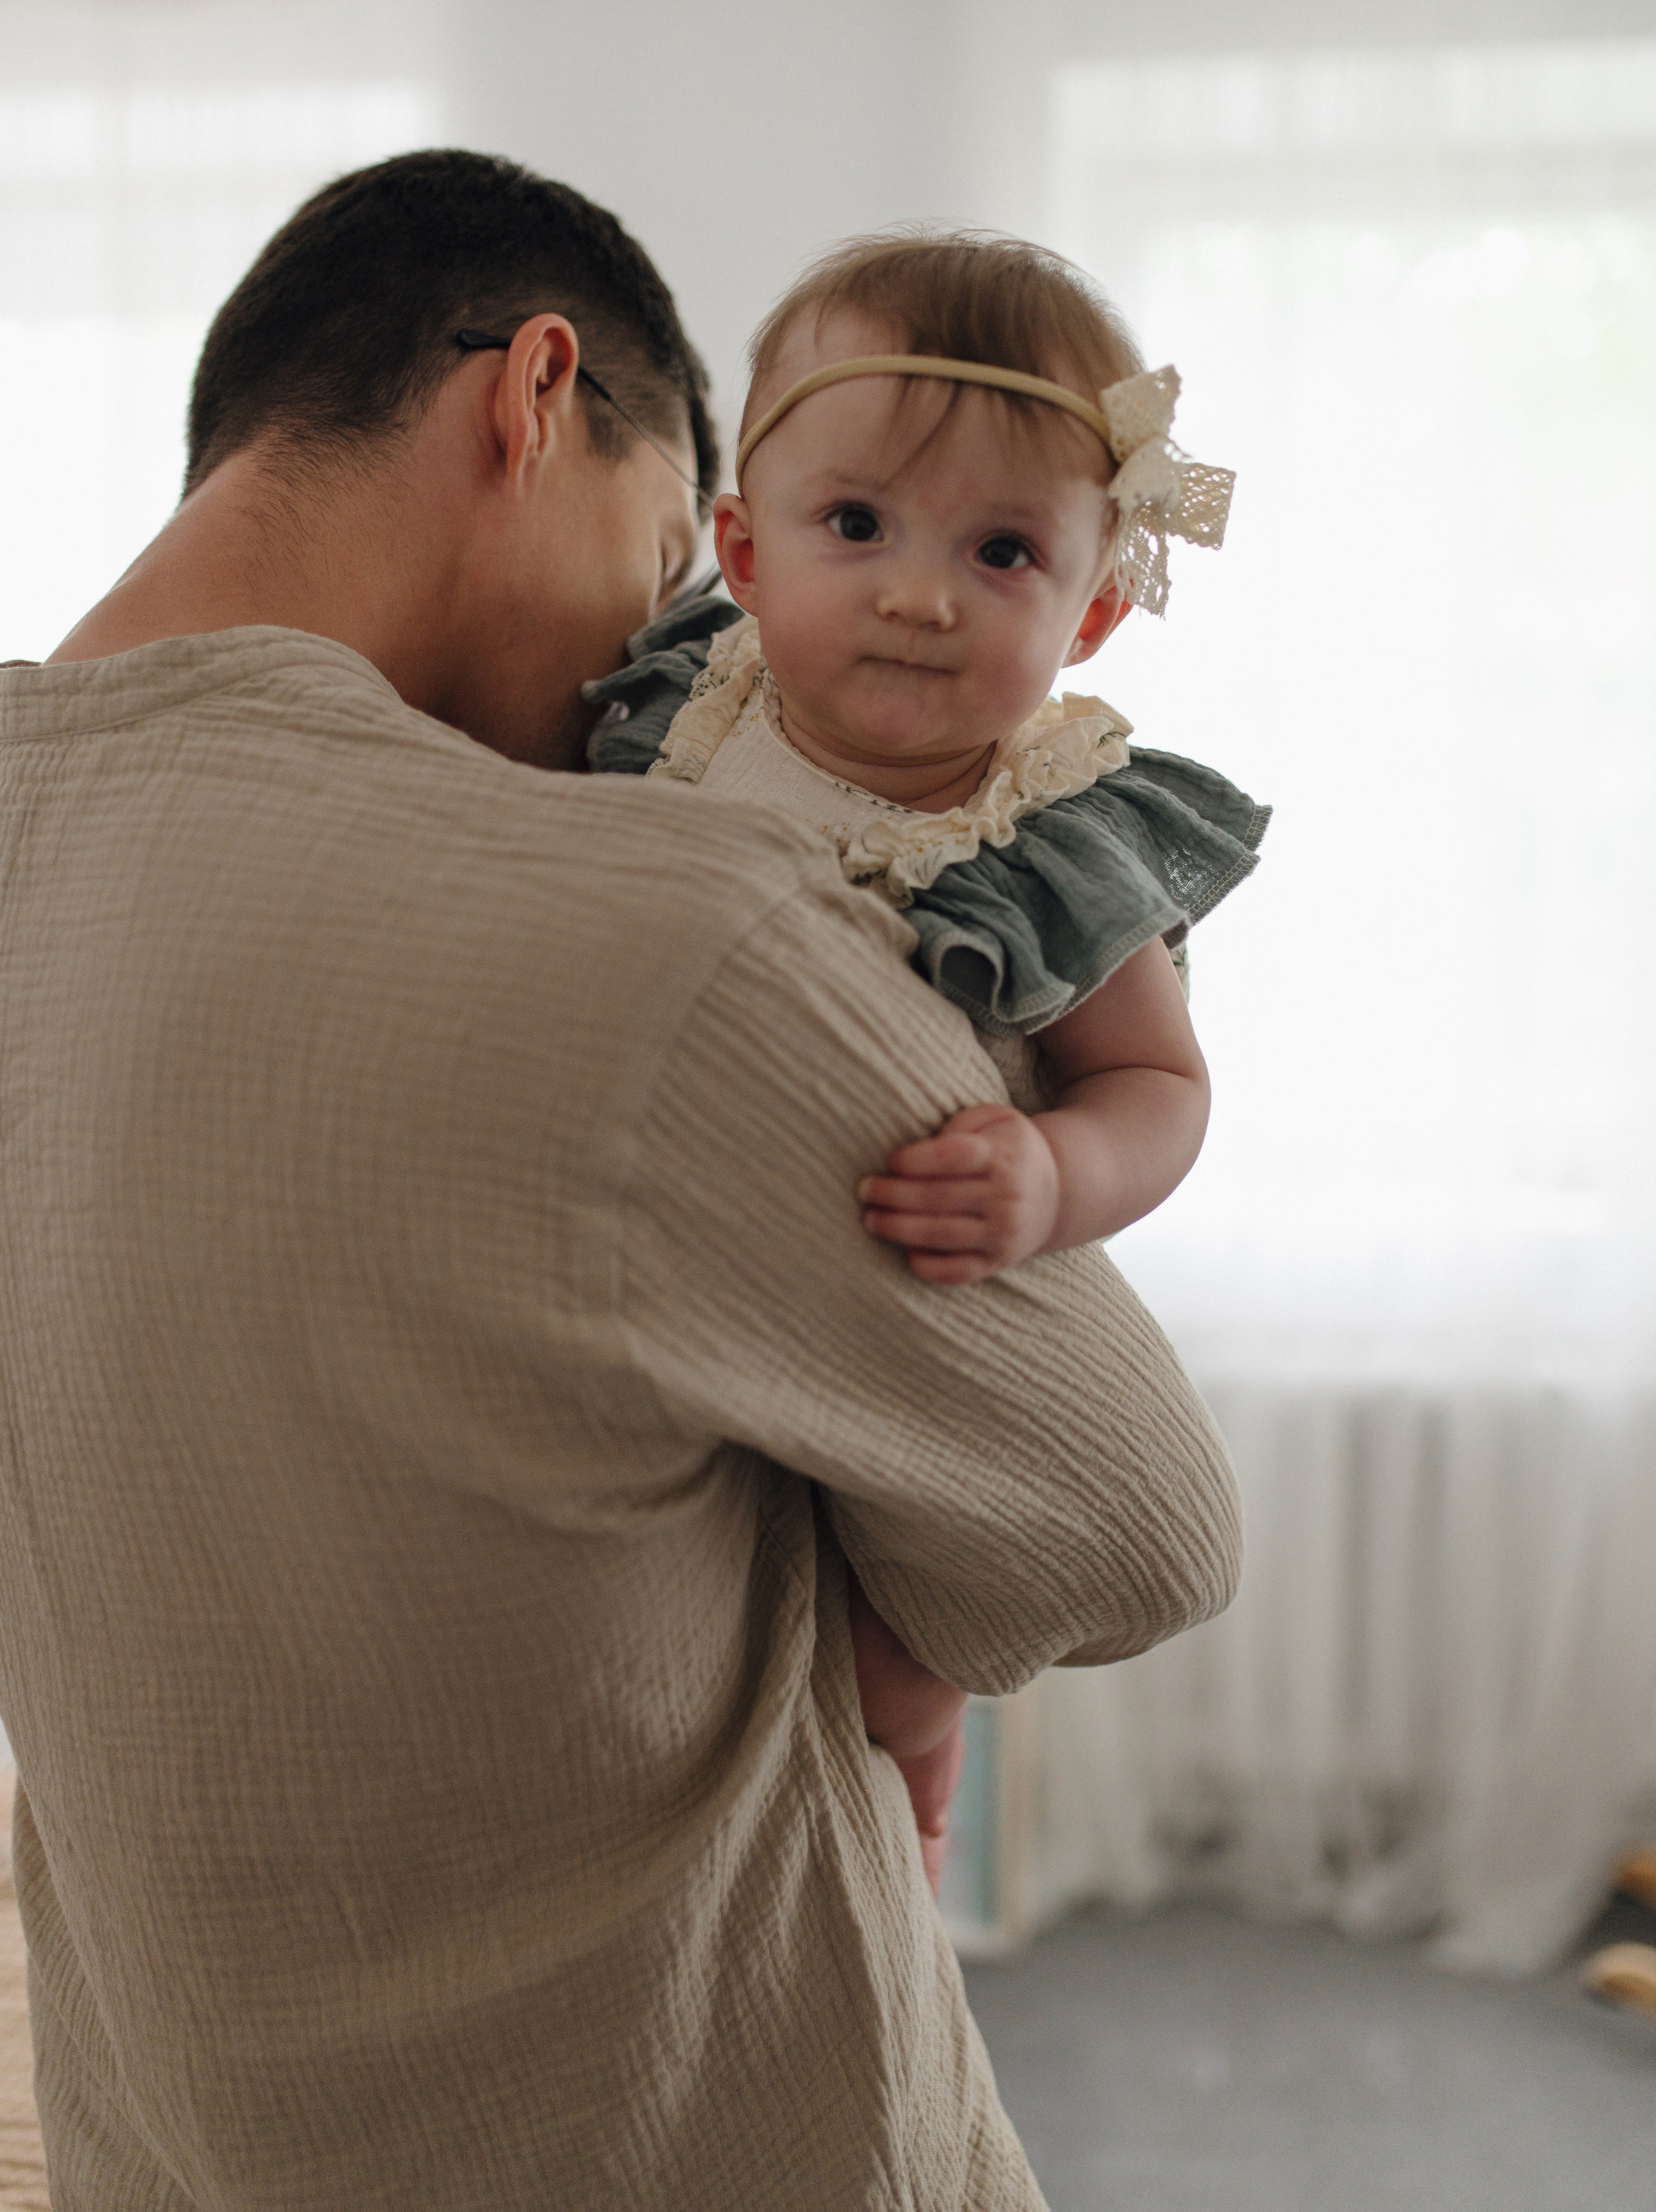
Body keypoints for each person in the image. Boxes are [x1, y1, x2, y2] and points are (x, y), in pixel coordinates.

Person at [0, 149, 1243, 2212]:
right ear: (534, 401)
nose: (633, 678)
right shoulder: (663, 922)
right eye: (676, 554)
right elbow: (1137, 1526)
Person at [585, 226, 1268, 1896]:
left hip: (915, 1286)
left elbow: (1161, 1091)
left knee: (882, 1653)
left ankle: (909, 1801)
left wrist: (1052, 1178)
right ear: (742, 549)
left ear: (1096, 607)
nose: (918, 590)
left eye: (1005, 551)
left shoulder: (1048, 831)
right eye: (857, 525)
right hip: (682, 1255)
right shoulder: (682, 716)